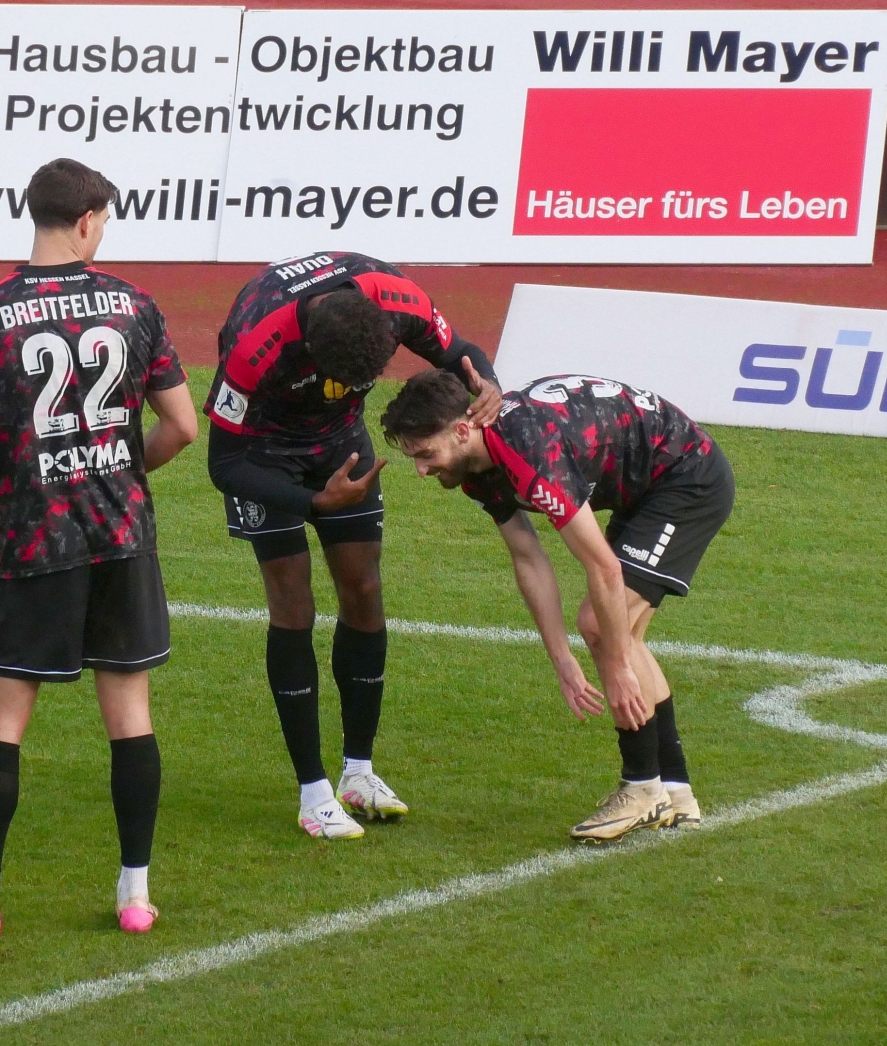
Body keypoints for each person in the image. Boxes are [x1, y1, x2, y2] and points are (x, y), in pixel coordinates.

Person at [0, 158, 197, 939]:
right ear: (84, 221)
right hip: (122, 536)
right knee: (130, 716)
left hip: (34, 540)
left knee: (1, 722)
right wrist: (121, 470)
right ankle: (135, 895)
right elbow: (181, 426)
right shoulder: (135, 305)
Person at [203, 251, 501, 840]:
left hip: (340, 441)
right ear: (309, 348)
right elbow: (224, 463)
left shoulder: (399, 299)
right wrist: (313, 503)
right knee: (293, 603)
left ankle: (358, 773)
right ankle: (313, 793)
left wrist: (488, 385)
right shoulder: (253, 344)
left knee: (364, 590)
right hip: (264, 453)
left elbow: (463, 353)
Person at [379, 370, 735, 842]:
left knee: (602, 627)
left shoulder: (529, 452)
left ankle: (642, 789)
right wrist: (562, 659)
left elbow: (603, 568)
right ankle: (676, 792)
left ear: (463, 430)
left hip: (687, 477)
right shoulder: (476, 467)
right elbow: (528, 558)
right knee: (618, 633)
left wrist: (617, 667)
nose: (421, 471)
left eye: (426, 454)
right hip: (643, 484)